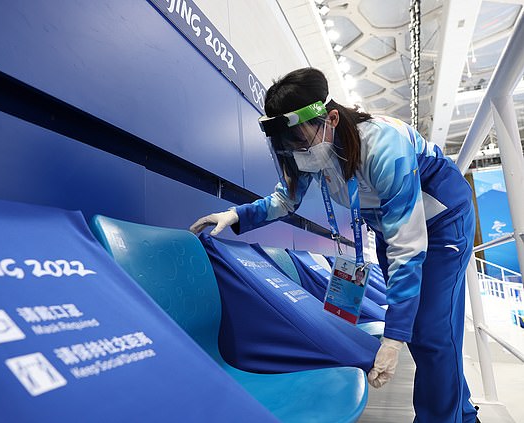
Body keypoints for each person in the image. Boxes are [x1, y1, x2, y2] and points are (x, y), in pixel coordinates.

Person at [190, 67, 478, 423]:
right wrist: (235, 216)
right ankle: (462, 413)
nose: (296, 153)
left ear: (332, 118)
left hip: (442, 221)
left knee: (433, 333)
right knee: (423, 333)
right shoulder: (315, 149)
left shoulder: (384, 145)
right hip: (392, 230)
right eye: (288, 146)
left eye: (300, 141)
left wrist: (392, 340)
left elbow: (409, 247)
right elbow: (286, 200)